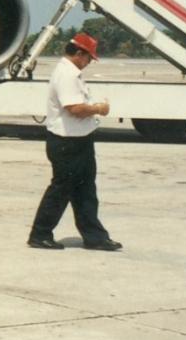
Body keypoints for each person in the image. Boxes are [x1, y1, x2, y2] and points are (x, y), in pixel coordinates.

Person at [27, 33, 123, 251]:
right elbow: (75, 108)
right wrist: (99, 109)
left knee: (86, 190)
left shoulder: (72, 73)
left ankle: (95, 237)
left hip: (79, 140)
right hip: (67, 142)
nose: (89, 63)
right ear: (80, 53)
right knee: (60, 190)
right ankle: (40, 234)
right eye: (89, 58)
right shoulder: (67, 75)